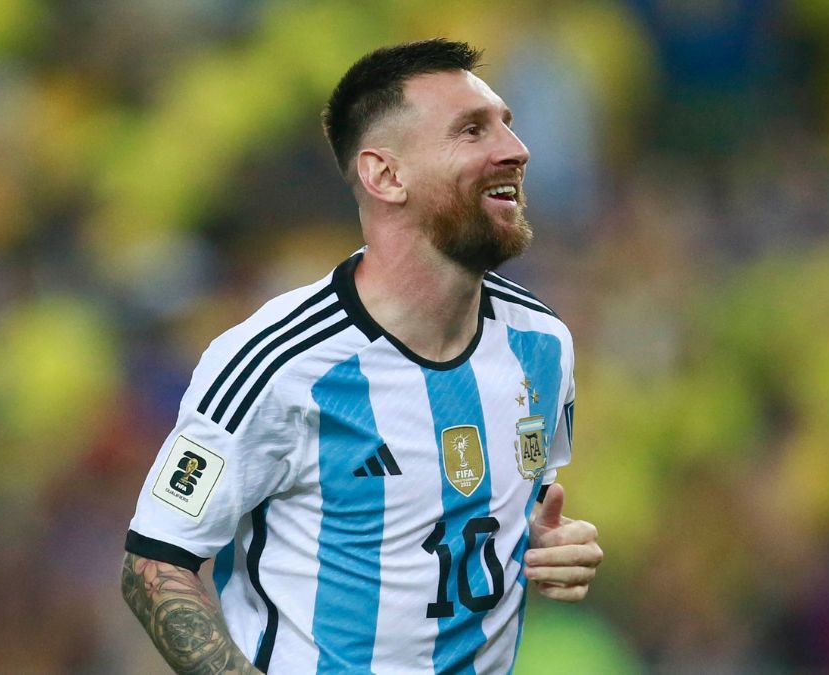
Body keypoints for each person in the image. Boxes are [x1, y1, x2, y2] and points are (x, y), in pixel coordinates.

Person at [121, 38, 603, 674]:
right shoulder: (276, 363)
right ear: (386, 175)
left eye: (507, 126)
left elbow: (501, 511)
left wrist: (546, 544)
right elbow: (156, 560)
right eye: (471, 130)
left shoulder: (542, 345)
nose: (516, 150)